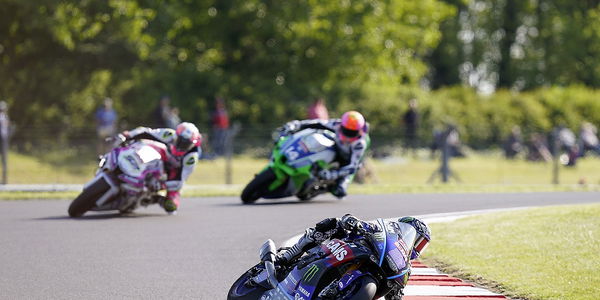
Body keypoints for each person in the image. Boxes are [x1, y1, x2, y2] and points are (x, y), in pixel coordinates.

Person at [277, 214, 431, 298]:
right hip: (348, 247)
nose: (417, 247)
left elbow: (396, 296)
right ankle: (288, 256)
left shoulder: (405, 268)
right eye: (418, 241)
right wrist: (354, 222)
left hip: (376, 272)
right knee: (333, 223)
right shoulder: (386, 233)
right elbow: (359, 224)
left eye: (422, 245)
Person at [115, 122, 202, 214]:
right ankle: (130, 168)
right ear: (176, 136)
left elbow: (180, 180)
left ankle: (156, 199)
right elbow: (147, 132)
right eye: (180, 140)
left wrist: (163, 185)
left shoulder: (191, 157)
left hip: (174, 171)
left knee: (171, 206)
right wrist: (129, 135)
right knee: (149, 144)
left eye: (186, 144)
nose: (181, 145)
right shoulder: (169, 134)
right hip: (161, 157)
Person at [280, 111, 370, 198]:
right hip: (334, 149)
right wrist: (296, 124)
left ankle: (325, 187)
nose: (348, 135)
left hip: (347, 162)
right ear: (342, 125)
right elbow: (317, 123)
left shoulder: (360, 143)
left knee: (340, 191)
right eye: (346, 130)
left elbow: (353, 167)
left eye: (352, 132)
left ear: (360, 130)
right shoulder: (336, 125)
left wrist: (333, 174)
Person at [0, 101, 10, 184]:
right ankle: (4, 180)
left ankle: (4, 179)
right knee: (4, 161)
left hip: (4, 140)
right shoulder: (5, 117)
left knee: (4, 161)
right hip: (3, 140)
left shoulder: (6, 117)